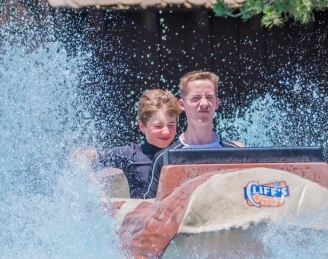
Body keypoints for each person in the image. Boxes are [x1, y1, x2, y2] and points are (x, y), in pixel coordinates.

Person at [142, 71, 244, 199]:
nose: (204, 103)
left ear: (216, 103)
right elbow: (148, 207)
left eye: (209, 97)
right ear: (182, 104)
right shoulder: (164, 158)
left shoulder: (235, 153)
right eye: (196, 98)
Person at [75, 89, 181, 198]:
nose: (166, 131)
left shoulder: (182, 152)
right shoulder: (130, 154)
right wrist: (95, 185)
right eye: (158, 126)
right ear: (142, 126)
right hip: (144, 213)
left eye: (171, 125)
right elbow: (80, 157)